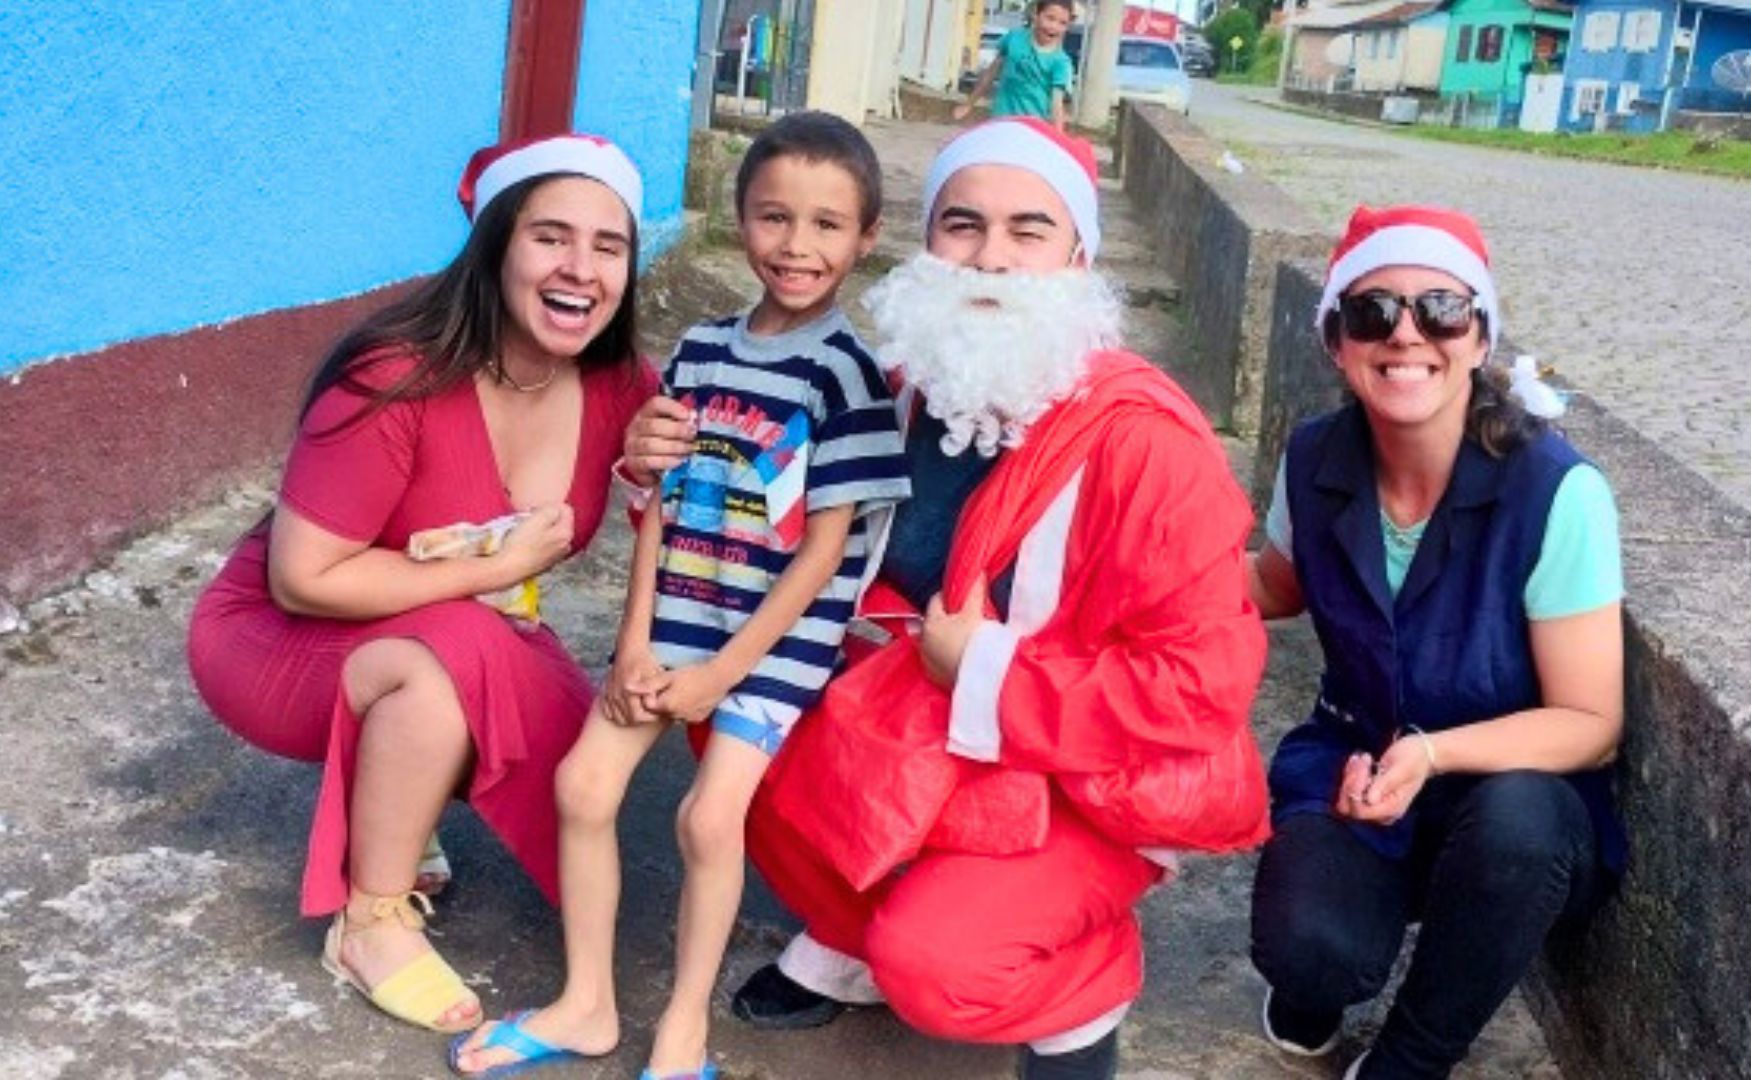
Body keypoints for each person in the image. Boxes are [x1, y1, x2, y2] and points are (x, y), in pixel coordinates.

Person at [628, 116, 1271, 1080]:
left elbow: (1198, 692)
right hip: (912, 732)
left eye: (1028, 231)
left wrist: (984, 669)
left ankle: (1081, 995)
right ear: (924, 244)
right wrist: (657, 466)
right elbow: (744, 531)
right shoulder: (899, 390)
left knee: (940, 966)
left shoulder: (1151, 447)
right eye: (962, 226)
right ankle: (850, 942)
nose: (992, 261)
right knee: (731, 723)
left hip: (1073, 780)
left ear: (1079, 255)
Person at [449, 112, 911, 1080]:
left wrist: (722, 675)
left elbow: (827, 554)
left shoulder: (848, 376)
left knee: (707, 819)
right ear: (738, 219)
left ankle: (685, 1031)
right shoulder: (700, 349)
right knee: (581, 785)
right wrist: (632, 644)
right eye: (775, 216)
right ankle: (586, 1006)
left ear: (867, 237)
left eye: (828, 225)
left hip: (769, 648)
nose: (798, 245)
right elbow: (656, 504)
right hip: (674, 622)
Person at [186, 134, 656, 1035]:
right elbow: (302, 578)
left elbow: (688, 494)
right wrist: (502, 567)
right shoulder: (396, 373)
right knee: (452, 666)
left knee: (570, 741)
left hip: (445, 620)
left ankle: (399, 796)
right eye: (550, 237)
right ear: (496, 246)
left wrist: (659, 463)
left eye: (609, 246)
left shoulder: (619, 384)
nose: (582, 268)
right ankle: (368, 919)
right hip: (278, 638)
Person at [1244, 205, 1626, 1079]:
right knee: (1309, 954)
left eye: (1442, 310)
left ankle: (1413, 1055)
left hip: (1505, 795)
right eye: (1373, 313)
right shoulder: (1314, 458)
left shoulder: (1556, 492)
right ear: (1338, 343)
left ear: (1481, 336)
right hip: (1353, 757)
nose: (1408, 334)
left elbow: (1590, 718)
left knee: (1520, 827)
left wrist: (1430, 752)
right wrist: (1133, 575)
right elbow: (1277, 582)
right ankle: (1316, 981)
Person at [954, 0, 1076, 130]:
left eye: (1062, 23)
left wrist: (1058, 139)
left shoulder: (1061, 62)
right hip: (1000, 121)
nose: (1054, 26)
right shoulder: (1014, 38)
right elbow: (990, 73)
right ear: (1036, 14)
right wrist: (969, 103)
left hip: (1031, 129)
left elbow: (1057, 104)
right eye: (1050, 18)